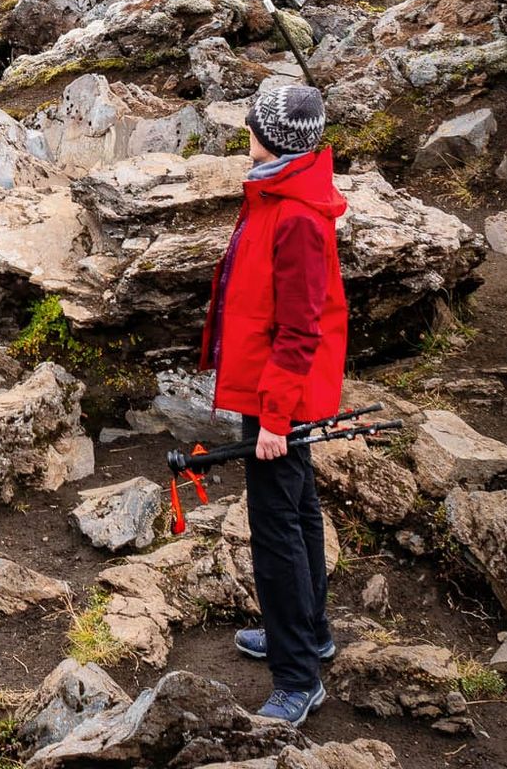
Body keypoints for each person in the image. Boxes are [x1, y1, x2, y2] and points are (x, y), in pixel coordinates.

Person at [199, 79, 348, 725]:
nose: (246, 131)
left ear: (274, 138)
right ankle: (310, 634)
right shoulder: (276, 190)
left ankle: (296, 678)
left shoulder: (297, 217)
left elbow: (300, 329)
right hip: (270, 385)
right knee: (299, 506)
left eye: (253, 124)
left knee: (275, 529)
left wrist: (276, 417)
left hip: (278, 392)